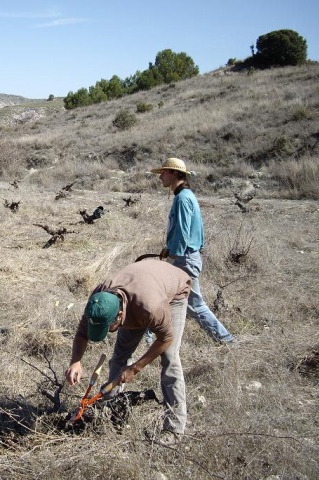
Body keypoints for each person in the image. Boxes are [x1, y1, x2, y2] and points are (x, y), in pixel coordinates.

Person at [65, 260, 191, 444]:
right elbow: (82, 332)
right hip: (139, 292)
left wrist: (136, 368)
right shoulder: (99, 301)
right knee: (120, 357)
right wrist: (75, 361)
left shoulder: (151, 307)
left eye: (109, 327)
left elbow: (166, 338)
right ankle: (111, 410)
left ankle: (174, 429)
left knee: (169, 358)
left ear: (119, 316)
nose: (108, 332)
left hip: (173, 291)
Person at [150, 157, 237, 345]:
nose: (160, 177)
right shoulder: (186, 196)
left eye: (163, 173)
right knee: (169, 300)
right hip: (187, 256)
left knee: (192, 305)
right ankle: (152, 337)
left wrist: (173, 256)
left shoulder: (182, 199)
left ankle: (227, 340)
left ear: (174, 174)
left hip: (183, 259)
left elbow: (182, 232)